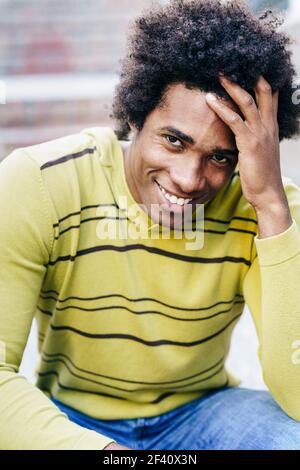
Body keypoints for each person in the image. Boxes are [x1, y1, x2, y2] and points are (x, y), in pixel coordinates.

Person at [1, 0, 300, 450]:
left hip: (202, 411)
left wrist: (272, 208)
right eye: (174, 140)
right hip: (73, 419)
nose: (189, 179)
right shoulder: (42, 182)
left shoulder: (268, 208)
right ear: (136, 116)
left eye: (221, 157)